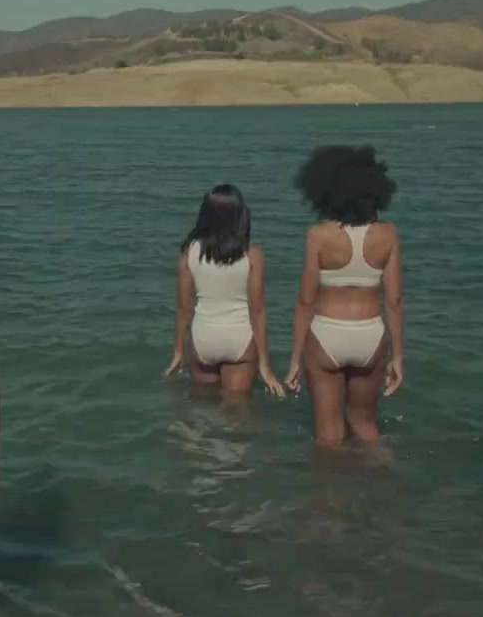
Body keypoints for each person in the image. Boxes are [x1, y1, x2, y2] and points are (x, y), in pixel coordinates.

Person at [284, 145, 404, 444]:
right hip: (370, 335)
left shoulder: (319, 236)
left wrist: (296, 358)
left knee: (328, 435)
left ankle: (329, 489)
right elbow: (394, 301)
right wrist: (398, 357)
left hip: (328, 334)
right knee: (366, 426)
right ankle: (383, 484)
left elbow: (305, 300)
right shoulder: (387, 234)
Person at [163, 184, 284, 397]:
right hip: (239, 339)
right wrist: (265, 366)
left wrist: (179, 351)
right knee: (236, 412)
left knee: (201, 409)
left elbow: (184, 308)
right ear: (241, 216)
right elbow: (257, 311)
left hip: (203, 339)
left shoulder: (188, 254)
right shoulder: (253, 255)